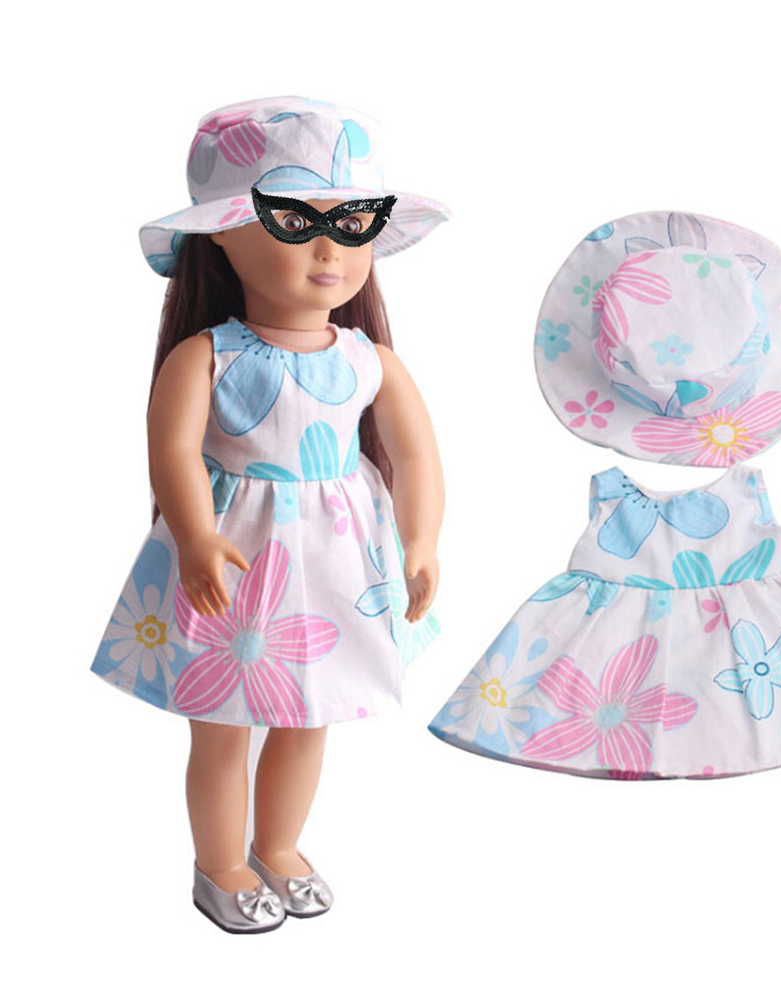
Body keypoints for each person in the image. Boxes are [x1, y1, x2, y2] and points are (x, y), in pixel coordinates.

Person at [89, 96, 448, 933]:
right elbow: (173, 452)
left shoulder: (368, 359)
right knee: (223, 724)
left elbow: (418, 456)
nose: (330, 250)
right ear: (224, 235)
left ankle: (278, 846)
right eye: (294, 222)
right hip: (235, 557)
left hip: (338, 564)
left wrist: (421, 539)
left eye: (353, 224)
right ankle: (220, 864)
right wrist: (194, 535)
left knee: (310, 713)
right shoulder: (207, 355)